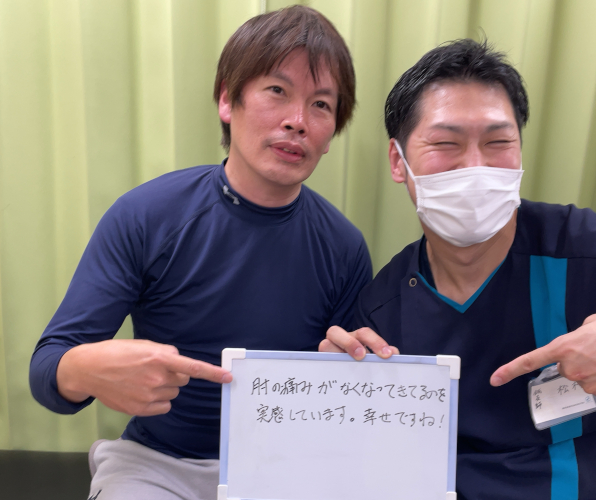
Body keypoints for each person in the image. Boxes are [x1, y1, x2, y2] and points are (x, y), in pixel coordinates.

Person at [320, 38, 596, 499]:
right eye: (446, 143)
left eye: (498, 142)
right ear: (399, 161)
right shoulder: (383, 309)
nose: (475, 166)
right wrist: (340, 386)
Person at [30, 6, 371, 500]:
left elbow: (349, 400)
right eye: (277, 91)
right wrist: (86, 368)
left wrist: (350, 366)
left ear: (332, 131)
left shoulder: (344, 246)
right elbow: (47, 368)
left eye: (320, 104)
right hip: (156, 464)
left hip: (285, 467)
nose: (297, 121)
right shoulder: (146, 215)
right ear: (228, 100)